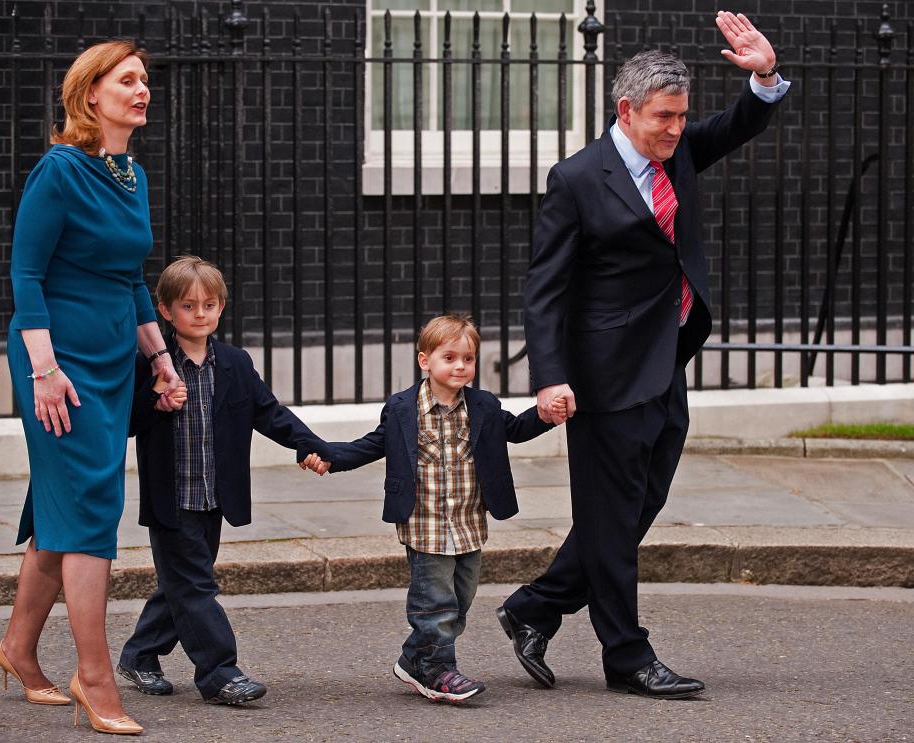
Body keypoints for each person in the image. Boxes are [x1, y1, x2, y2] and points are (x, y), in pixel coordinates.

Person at [496, 11, 790, 699]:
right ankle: (626, 655)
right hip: (603, 374)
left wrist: (765, 74)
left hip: (665, 360)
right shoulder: (576, 179)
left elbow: (741, 122)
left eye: (683, 116)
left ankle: (536, 605)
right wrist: (549, 379)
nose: (676, 129)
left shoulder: (678, 150)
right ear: (626, 110)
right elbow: (545, 289)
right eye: (663, 117)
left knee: (631, 508)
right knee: (613, 511)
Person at [0, 41, 180, 735]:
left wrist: (160, 359)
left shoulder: (128, 173)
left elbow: (131, 277)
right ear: (90, 93)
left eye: (144, 81)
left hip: (109, 356)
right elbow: (26, 278)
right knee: (91, 504)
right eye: (127, 80)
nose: (142, 91)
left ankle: (17, 648)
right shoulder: (59, 170)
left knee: (63, 509)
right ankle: (94, 674)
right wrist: (44, 370)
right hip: (58, 360)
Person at [302, 314, 564, 702]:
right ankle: (438, 670)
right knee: (435, 602)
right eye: (450, 357)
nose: (461, 366)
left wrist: (544, 416)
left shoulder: (484, 406)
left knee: (461, 599)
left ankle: (414, 657)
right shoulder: (403, 408)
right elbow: (372, 445)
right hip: (424, 524)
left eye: (468, 359)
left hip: (469, 522)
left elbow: (515, 430)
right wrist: (330, 458)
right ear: (425, 360)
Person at [116, 255, 334, 707]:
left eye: (209, 305)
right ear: (165, 310)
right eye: (189, 306)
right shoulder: (150, 363)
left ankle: (139, 654)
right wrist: (155, 401)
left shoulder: (234, 362)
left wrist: (310, 446)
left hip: (215, 497)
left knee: (183, 582)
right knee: (195, 585)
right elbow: (125, 423)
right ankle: (219, 672)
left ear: (221, 308)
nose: (200, 315)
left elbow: (269, 413)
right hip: (171, 498)